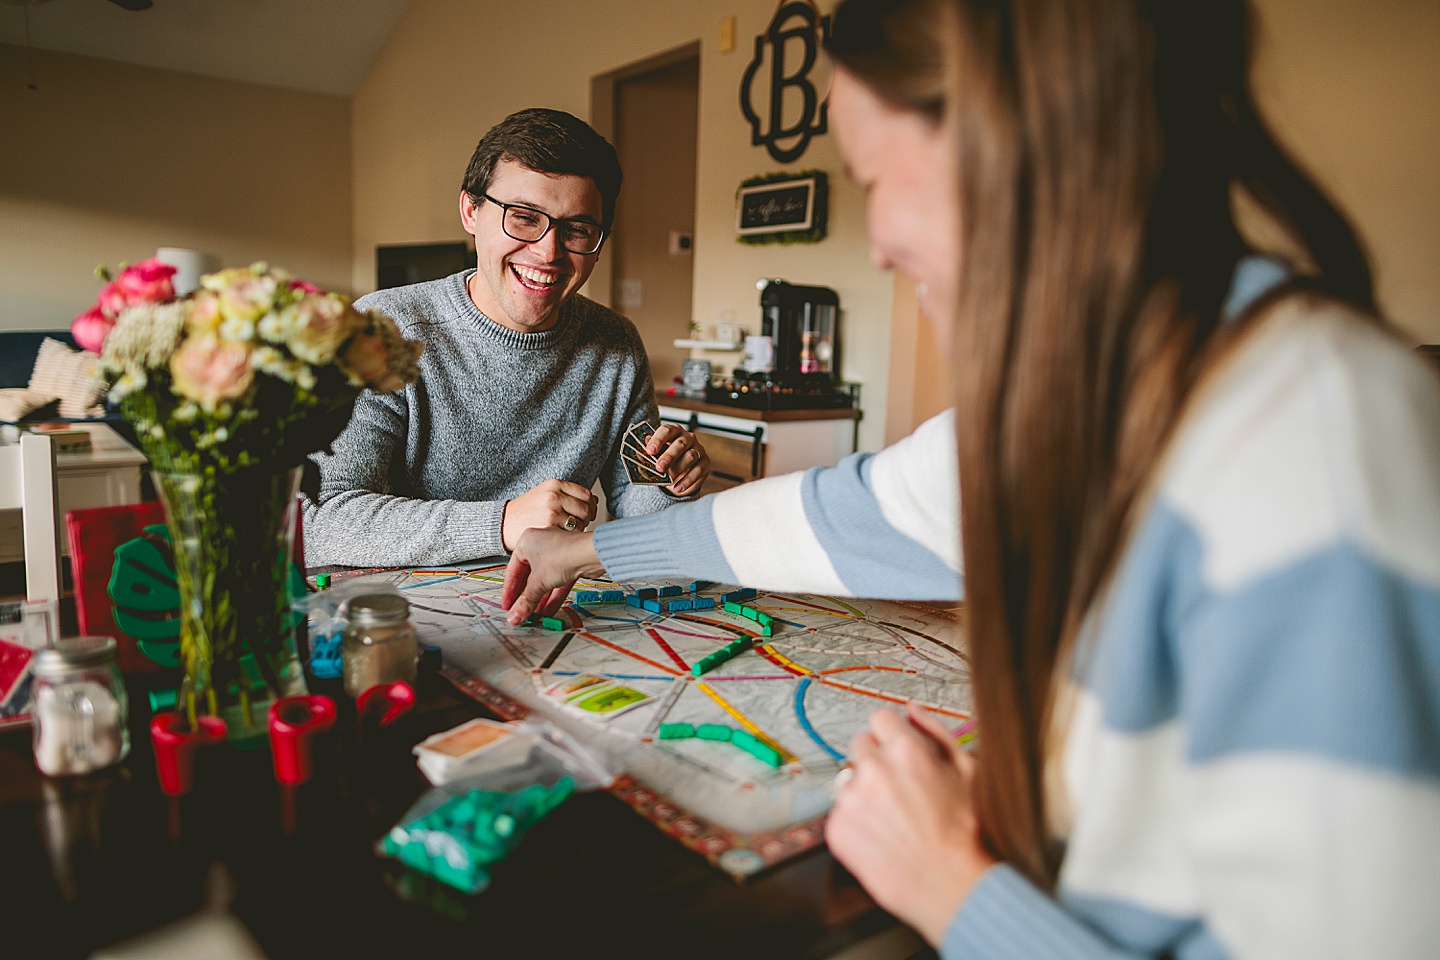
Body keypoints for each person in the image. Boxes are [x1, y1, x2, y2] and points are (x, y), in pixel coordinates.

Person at [503, 0, 1440, 957]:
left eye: (874, 180)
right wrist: (589, 549)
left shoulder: (1312, 441)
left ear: (1013, 151)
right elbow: (841, 513)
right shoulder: (1106, 379)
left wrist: (952, 888)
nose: (876, 248)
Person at [304, 108, 710, 567]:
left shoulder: (616, 345)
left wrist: (670, 481)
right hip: (402, 615)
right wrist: (502, 523)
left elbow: (642, 522)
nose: (549, 251)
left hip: (546, 610)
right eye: (523, 217)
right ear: (471, 211)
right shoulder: (383, 329)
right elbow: (320, 522)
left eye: (578, 229)